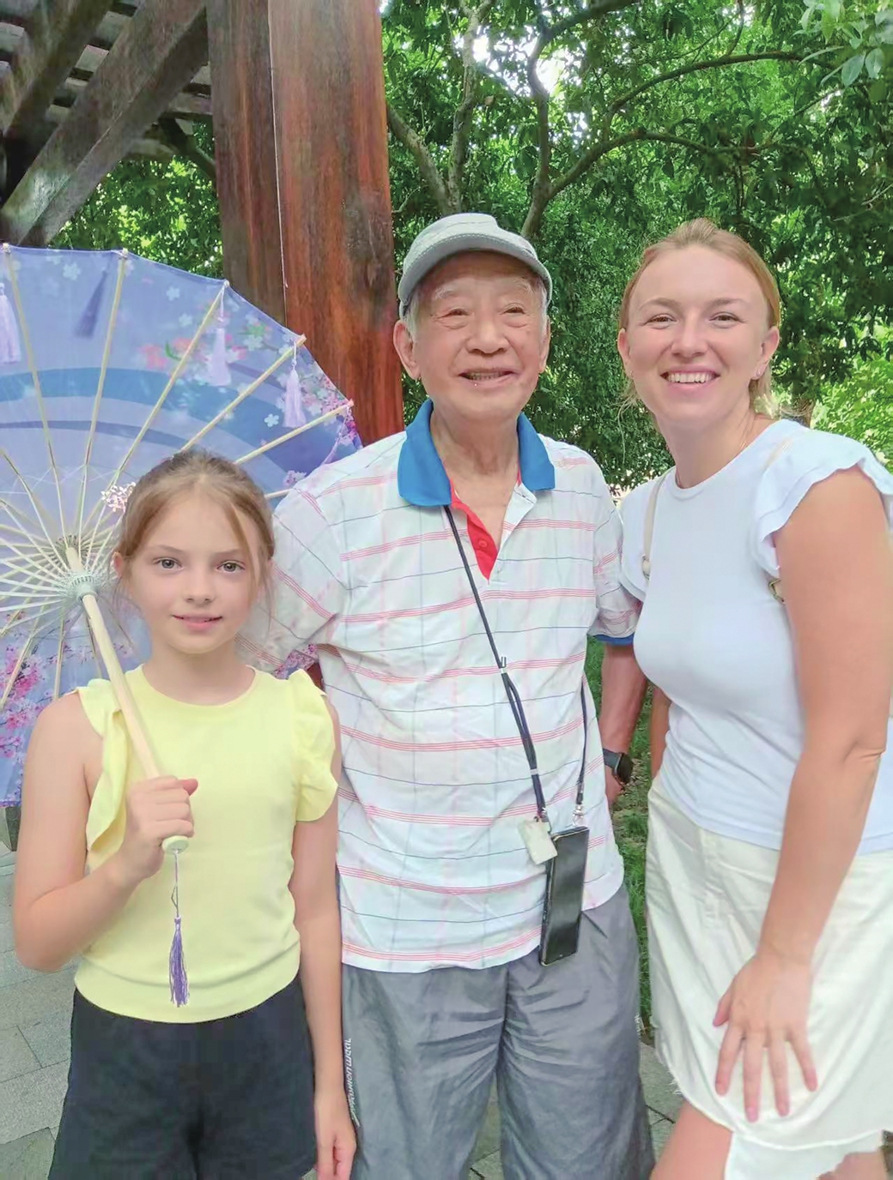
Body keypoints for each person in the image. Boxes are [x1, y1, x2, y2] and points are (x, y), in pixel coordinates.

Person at [239, 212, 655, 1180]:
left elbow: (621, 633)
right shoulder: (332, 510)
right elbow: (244, 674)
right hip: (401, 925)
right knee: (401, 1163)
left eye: (514, 312)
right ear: (407, 346)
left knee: (585, 1161)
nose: (487, 337)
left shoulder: (583, 488)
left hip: (573, 906)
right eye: (454, 312)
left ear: (544, 341)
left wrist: (613, 751)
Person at [616, 218, 893, 1180]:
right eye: (662, 316)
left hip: (819, 884)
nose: (688, 340)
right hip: (696, 860)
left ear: (764, 345)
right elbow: (667, 679)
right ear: (627, 343)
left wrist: (783, 955)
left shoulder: (813, 484)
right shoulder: (645, 509)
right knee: (838, 1142)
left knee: (730, 1140)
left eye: (720, 316)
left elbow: (857, 738)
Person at [13, 451, 355, 1180]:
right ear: (125, 570)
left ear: (263, 571)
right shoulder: (77, 729)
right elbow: (38, 945)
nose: (199, 590)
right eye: (168, 562)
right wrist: (127, 864)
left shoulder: (302, 716)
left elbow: (316, 910)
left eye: (228, 566)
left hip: (267, 1038)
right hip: (124, 1050)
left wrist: (329, 1087)